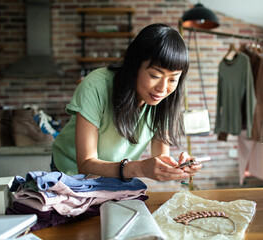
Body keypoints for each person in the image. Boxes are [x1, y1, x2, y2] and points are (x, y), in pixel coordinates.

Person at [52, 23, 201, 182]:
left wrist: (178, 167)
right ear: (134, 66)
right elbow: (85, 164)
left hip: (114, 174)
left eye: (173, 79)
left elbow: (160, 157)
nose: (163, 88)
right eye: (155, 76)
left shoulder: (163, 101)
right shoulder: (95, 86)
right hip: (71, 172)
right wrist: (141, 168)